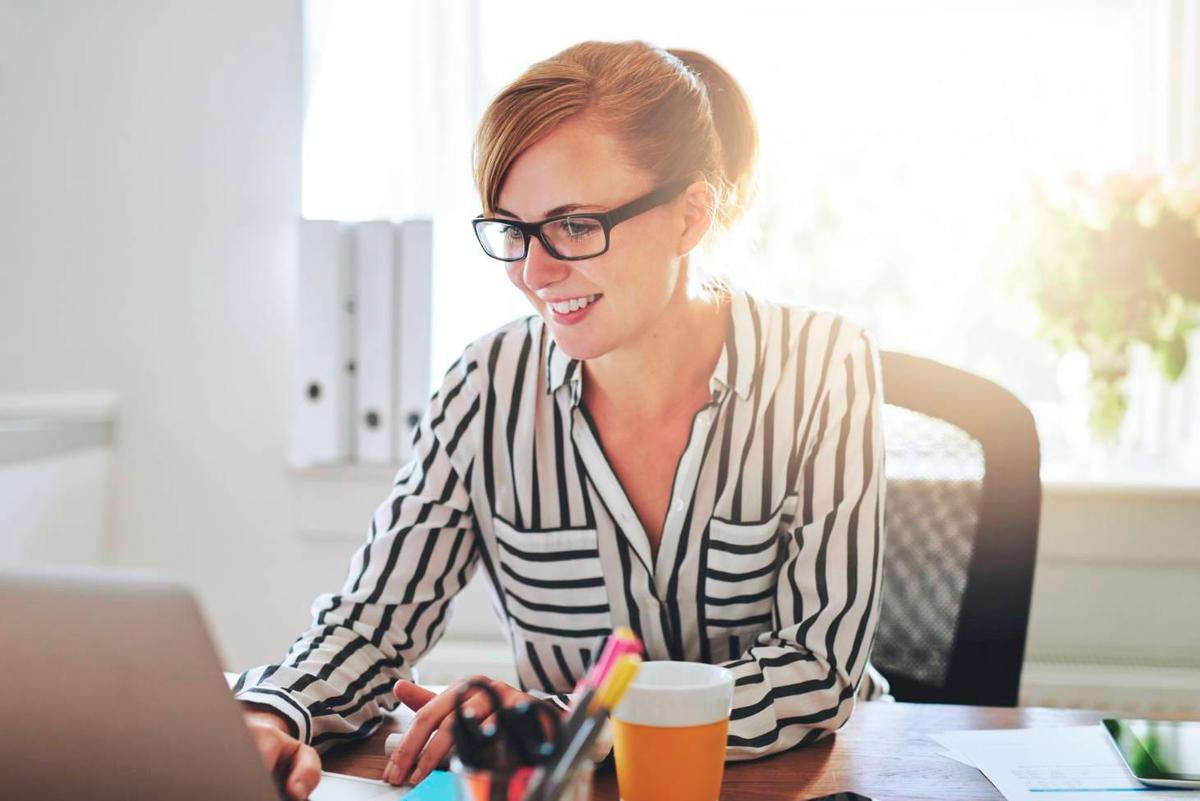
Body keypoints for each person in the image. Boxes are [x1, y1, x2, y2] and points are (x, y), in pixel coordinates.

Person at [235, 40, 887, 800]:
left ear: (690, 215)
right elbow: (370, 624)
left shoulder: (823, 363)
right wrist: (267, 713)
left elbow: (817, 668)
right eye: (512, 230)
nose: (534, 274)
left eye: (575, 225)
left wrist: (571, 721)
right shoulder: (486, 385)